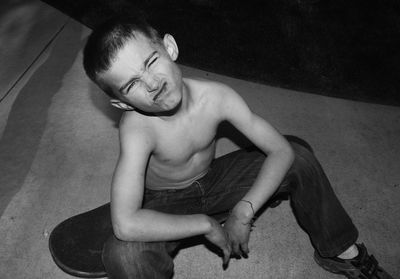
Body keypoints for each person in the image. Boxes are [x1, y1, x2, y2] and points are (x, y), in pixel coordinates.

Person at [82, 16, 393, 279]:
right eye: (133, 84)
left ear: (170, 48)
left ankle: (339, 251)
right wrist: (204, 224)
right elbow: (125, 223)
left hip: (215, 181)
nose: (151, 83)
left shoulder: (217, 97)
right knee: (123, 256)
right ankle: (219, 213)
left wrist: (244, 211)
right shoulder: (136, 128)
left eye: (151, 62)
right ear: (122, 103)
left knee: (298, 155)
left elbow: (280, 150)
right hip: (166, 202)